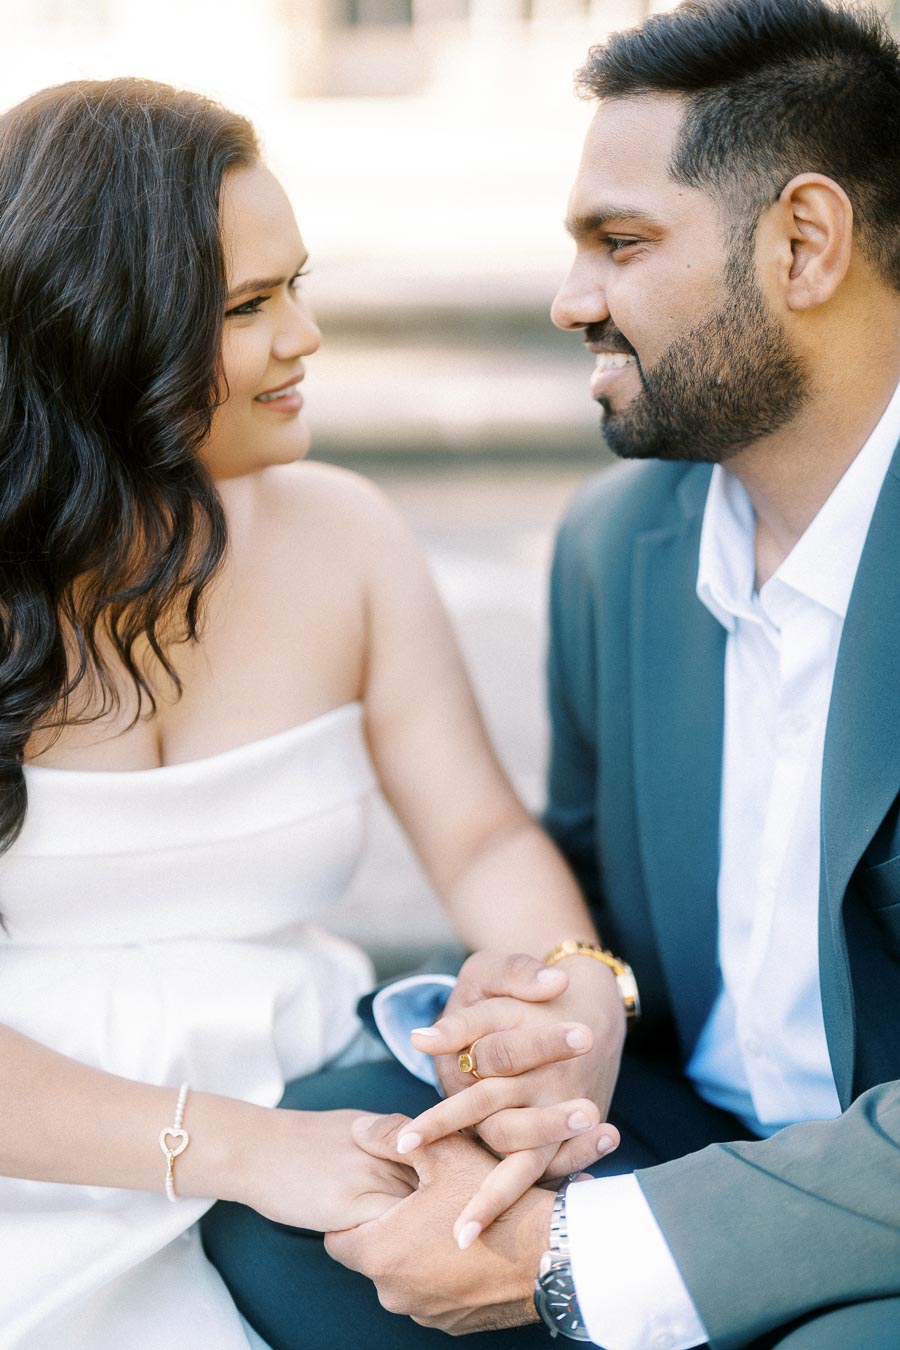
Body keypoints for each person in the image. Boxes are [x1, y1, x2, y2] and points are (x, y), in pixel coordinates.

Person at [207, 1, 900, 1347]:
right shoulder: (613, 546)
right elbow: (588, 892)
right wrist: (547, 1023)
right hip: (668, 1129)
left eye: (621, 244)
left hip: (862, 1211)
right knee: (298, 1200)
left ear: (806, 243)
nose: (570, 298)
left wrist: (597, 1254)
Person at [0, 78, 628, 1349]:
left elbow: (483, 840)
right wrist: (239, 1149)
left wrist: (574, 1010)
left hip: (329, 1109)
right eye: (247, 307)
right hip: (51, 1158)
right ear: (94, 337)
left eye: (298, 283)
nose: (307, 336)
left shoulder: (346, 535)